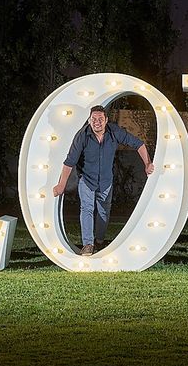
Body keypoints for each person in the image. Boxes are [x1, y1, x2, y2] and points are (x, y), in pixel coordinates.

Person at [53, 105, 154, 255]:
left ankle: (99, 240)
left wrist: (147, 163)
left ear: (106, 120)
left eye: (100, 119)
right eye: (93, 119)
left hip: (106, 181)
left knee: (103, 213)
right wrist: (61, 185)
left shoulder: (114, 132)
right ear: (89, 120)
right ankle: (88, 244)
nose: (97, 122)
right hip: (86, 179)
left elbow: (138, 144)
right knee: (86, 209)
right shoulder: (82, 135)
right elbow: (69, 162)